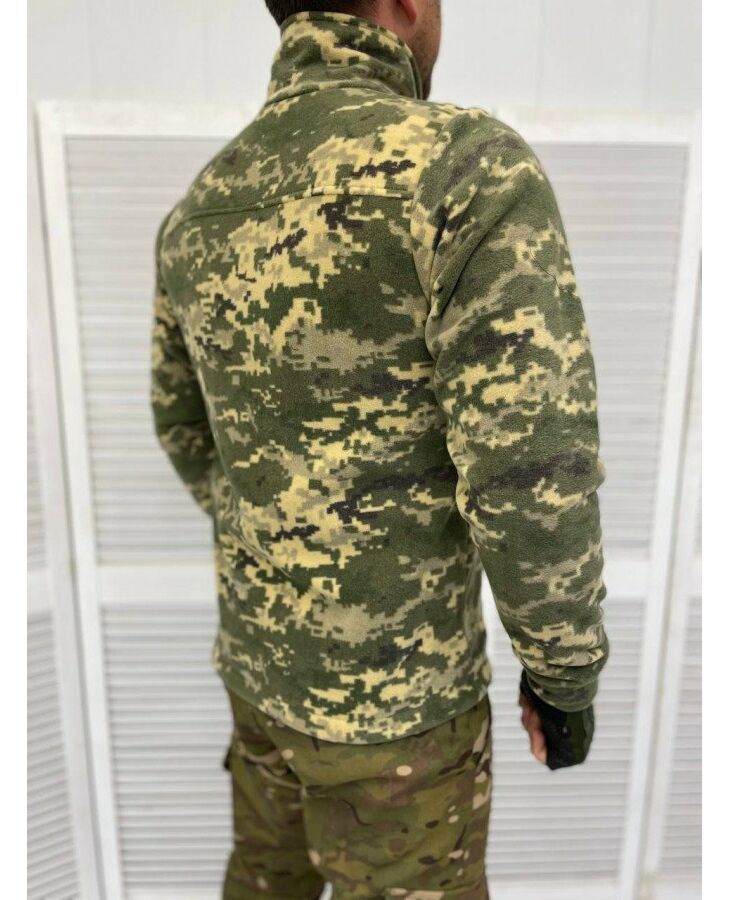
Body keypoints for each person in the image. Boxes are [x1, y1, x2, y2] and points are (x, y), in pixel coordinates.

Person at [150, 1, 609, 896]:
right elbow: (530, 472)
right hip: (404, 719)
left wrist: (286, 530)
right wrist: (564, 676)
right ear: (407, 5)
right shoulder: (462, 167)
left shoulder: (199, 209)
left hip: (259, 682)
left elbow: (181, 426)